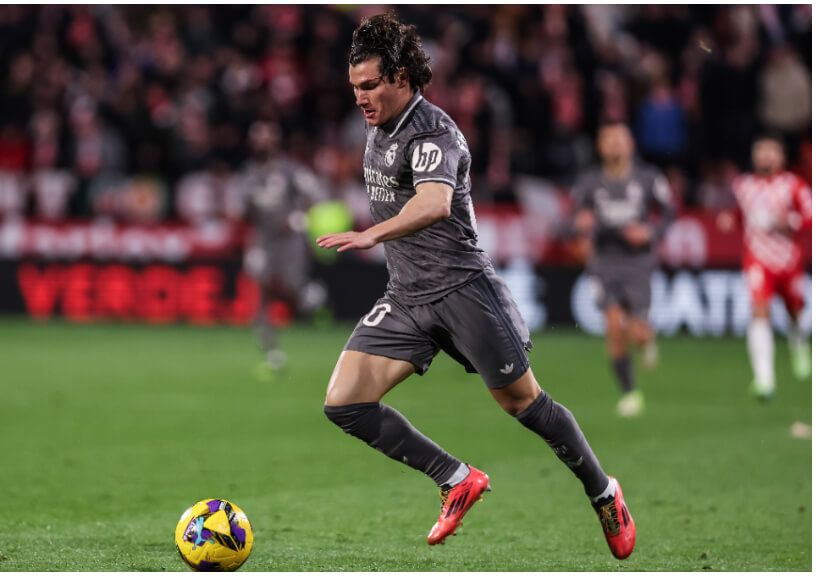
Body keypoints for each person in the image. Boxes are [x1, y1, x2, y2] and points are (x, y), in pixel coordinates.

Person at [316, 13, 635, 559]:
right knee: (344, 402)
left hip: (464, 290)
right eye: (354, 88)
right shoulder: (377, 127)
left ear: (401, 78)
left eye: (370, 86)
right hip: (408, 295)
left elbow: (434, 202)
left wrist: (372, 235)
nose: (361, 98)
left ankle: (604, 492)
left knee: (524, 405)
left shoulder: (434, 130)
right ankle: (455, 478)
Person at [571, 123, 676, 417]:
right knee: (614, 325)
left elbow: (670, 213)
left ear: (630, 144)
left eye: (620, 139)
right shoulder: (590, 181)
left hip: (638, 262)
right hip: (604, 261)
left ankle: (646, 337)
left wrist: (651, 232)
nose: (615, 145)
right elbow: (574, 219)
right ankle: (631, 393)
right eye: (609, 140)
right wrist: (580, 224)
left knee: (638, 331)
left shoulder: (648, 177)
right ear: (600, 146)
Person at [720, 134, 812, 400]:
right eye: (760, 151)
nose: (765, 156)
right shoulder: (743, 185)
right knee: (759, 310)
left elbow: (809, 219)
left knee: (796, 310)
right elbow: (740, 214)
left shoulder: (794, 186)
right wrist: (729, 220)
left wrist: (786, 221)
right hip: (757, 258)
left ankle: (799, 344)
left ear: (781, 157)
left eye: (771, 151)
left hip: (788, 260)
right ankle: (764, 379)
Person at [239, 120, 329, 378]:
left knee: (292, 287)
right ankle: (272, 355)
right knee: (260, 292)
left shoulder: (289, 169)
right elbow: (244, 211)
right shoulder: (249, 173)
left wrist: (298, 218)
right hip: (262, 240)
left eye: (266, 137)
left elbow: (316, 194)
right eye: (257, 138)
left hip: (289, 241)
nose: (261, 142)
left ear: (275, 141)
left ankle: (314, 298)